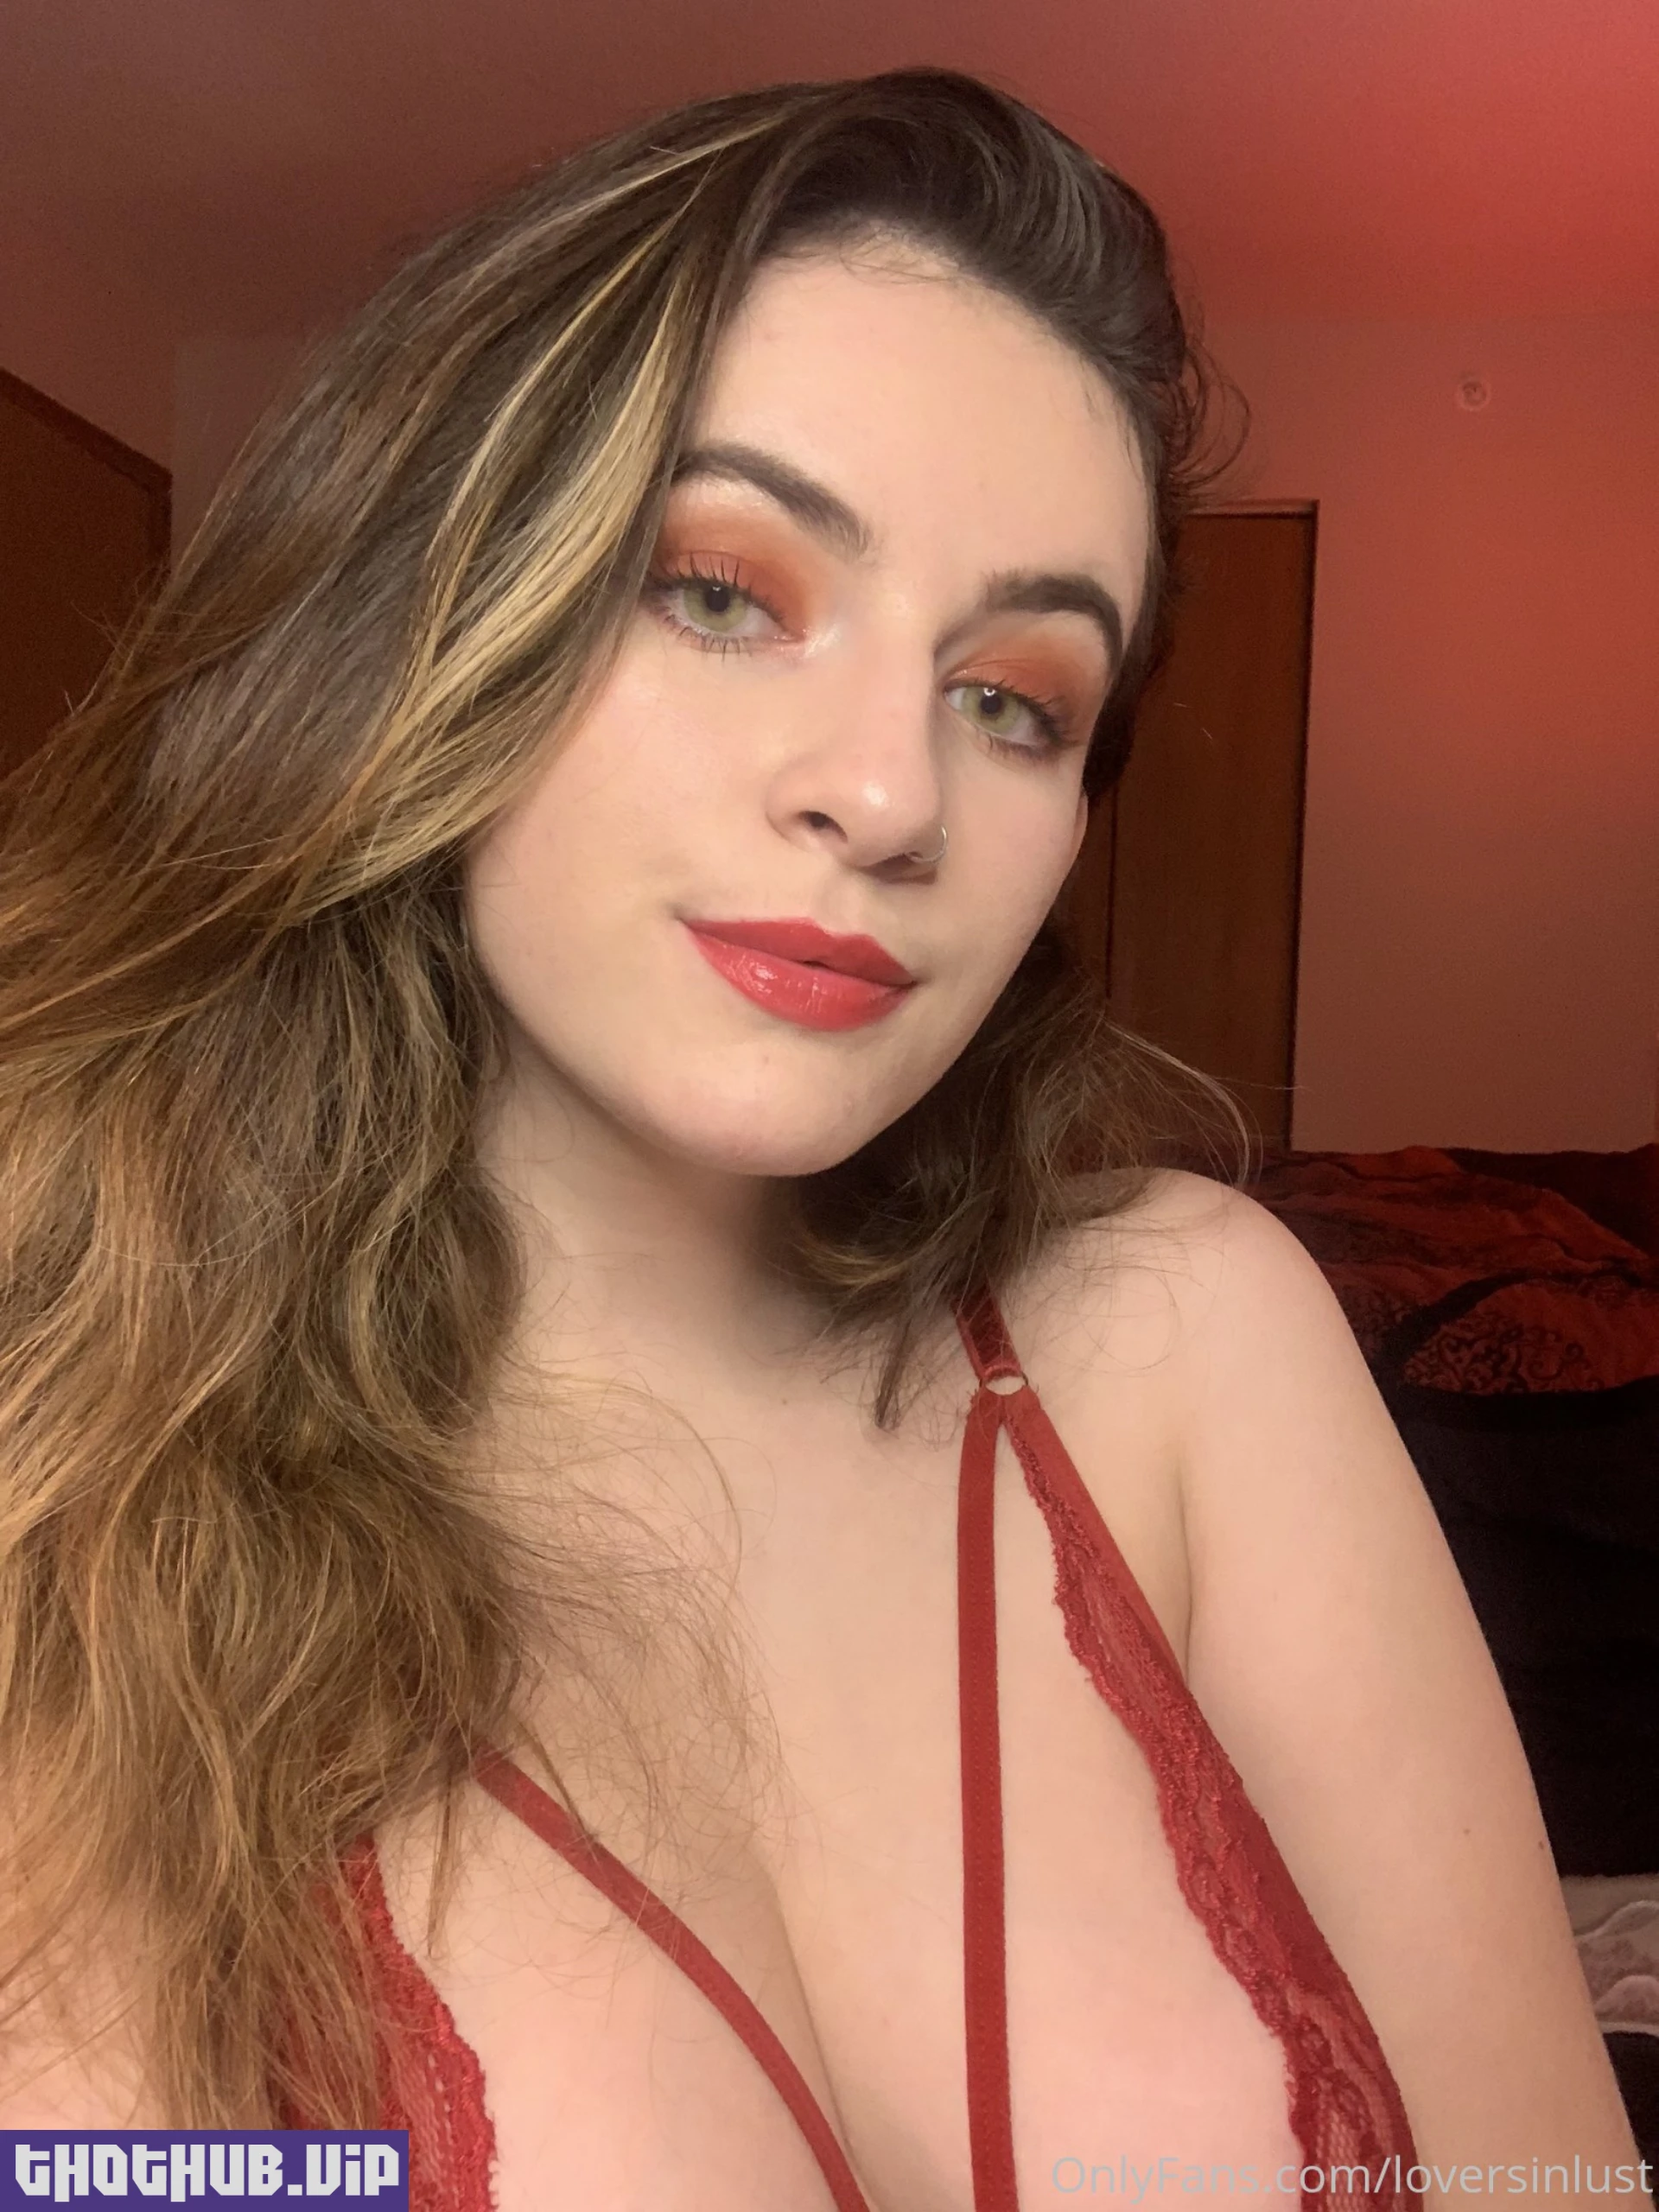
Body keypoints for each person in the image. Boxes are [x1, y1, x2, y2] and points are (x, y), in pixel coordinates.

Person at [0, 66, 1645, 2212]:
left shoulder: (1187, 1344)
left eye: (1016, 698)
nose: (889, 794)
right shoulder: (74, 1482)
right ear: (421, 607)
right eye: (723, 588)